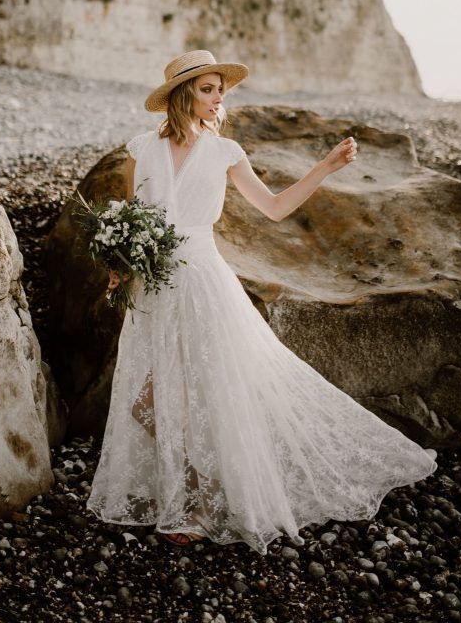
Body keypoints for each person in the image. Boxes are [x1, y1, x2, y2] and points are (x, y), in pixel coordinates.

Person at [86, 50, 437, 553]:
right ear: (184, 94)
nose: (218, 97)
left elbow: (274, 208)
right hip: (155, 288)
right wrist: (119, 264)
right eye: (207, 89)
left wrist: (326, 167)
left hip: (204, 281)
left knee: (208, 391)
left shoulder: (226, 153)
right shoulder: (141, 149)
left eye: (220, 89)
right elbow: (135, 217)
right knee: (146, 401)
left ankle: (205, 499)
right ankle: (198, 482)